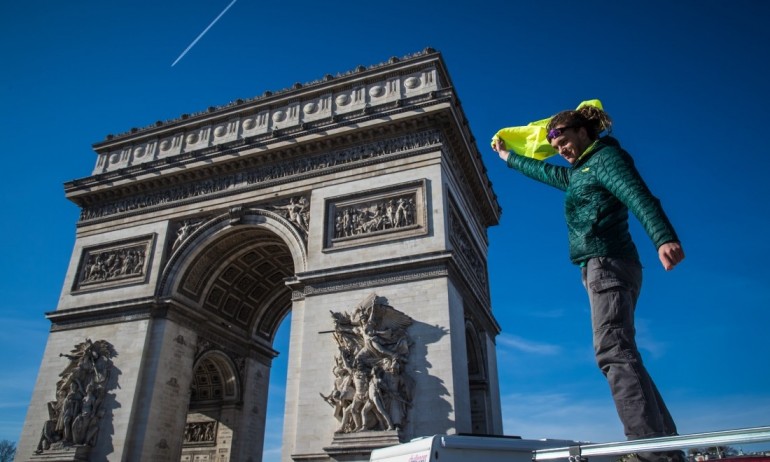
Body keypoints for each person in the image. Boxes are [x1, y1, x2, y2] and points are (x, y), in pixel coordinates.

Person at [492, 104, 684, 462]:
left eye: (563, 139)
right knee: (624, 353)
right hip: (603, 266)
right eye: (554, 143)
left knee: (612, 352)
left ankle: (650, 453)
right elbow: (544, 172)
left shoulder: (605, 160)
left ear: (584, 131)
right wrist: (507, 156)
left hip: (609, 263)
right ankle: (663, 448)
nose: (560, 148)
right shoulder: (581, 172)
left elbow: (639, 195)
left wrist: (662, 237)